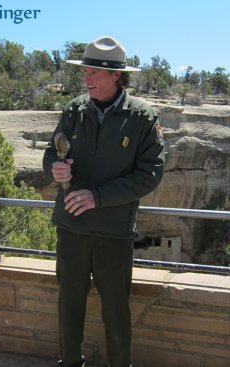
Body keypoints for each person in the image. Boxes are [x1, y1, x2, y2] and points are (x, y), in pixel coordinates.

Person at [43, 36, 165, 367]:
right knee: (69, 309)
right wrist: (54, 168)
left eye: (94, 72)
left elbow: (150, 175)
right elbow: (52, 150)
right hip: (71, 229)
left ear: (116, 76)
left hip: (114, 233)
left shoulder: (142, 118)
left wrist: (98, 197)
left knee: (115, 311)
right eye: (85, 71)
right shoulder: (74, 110)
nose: (87, 79)